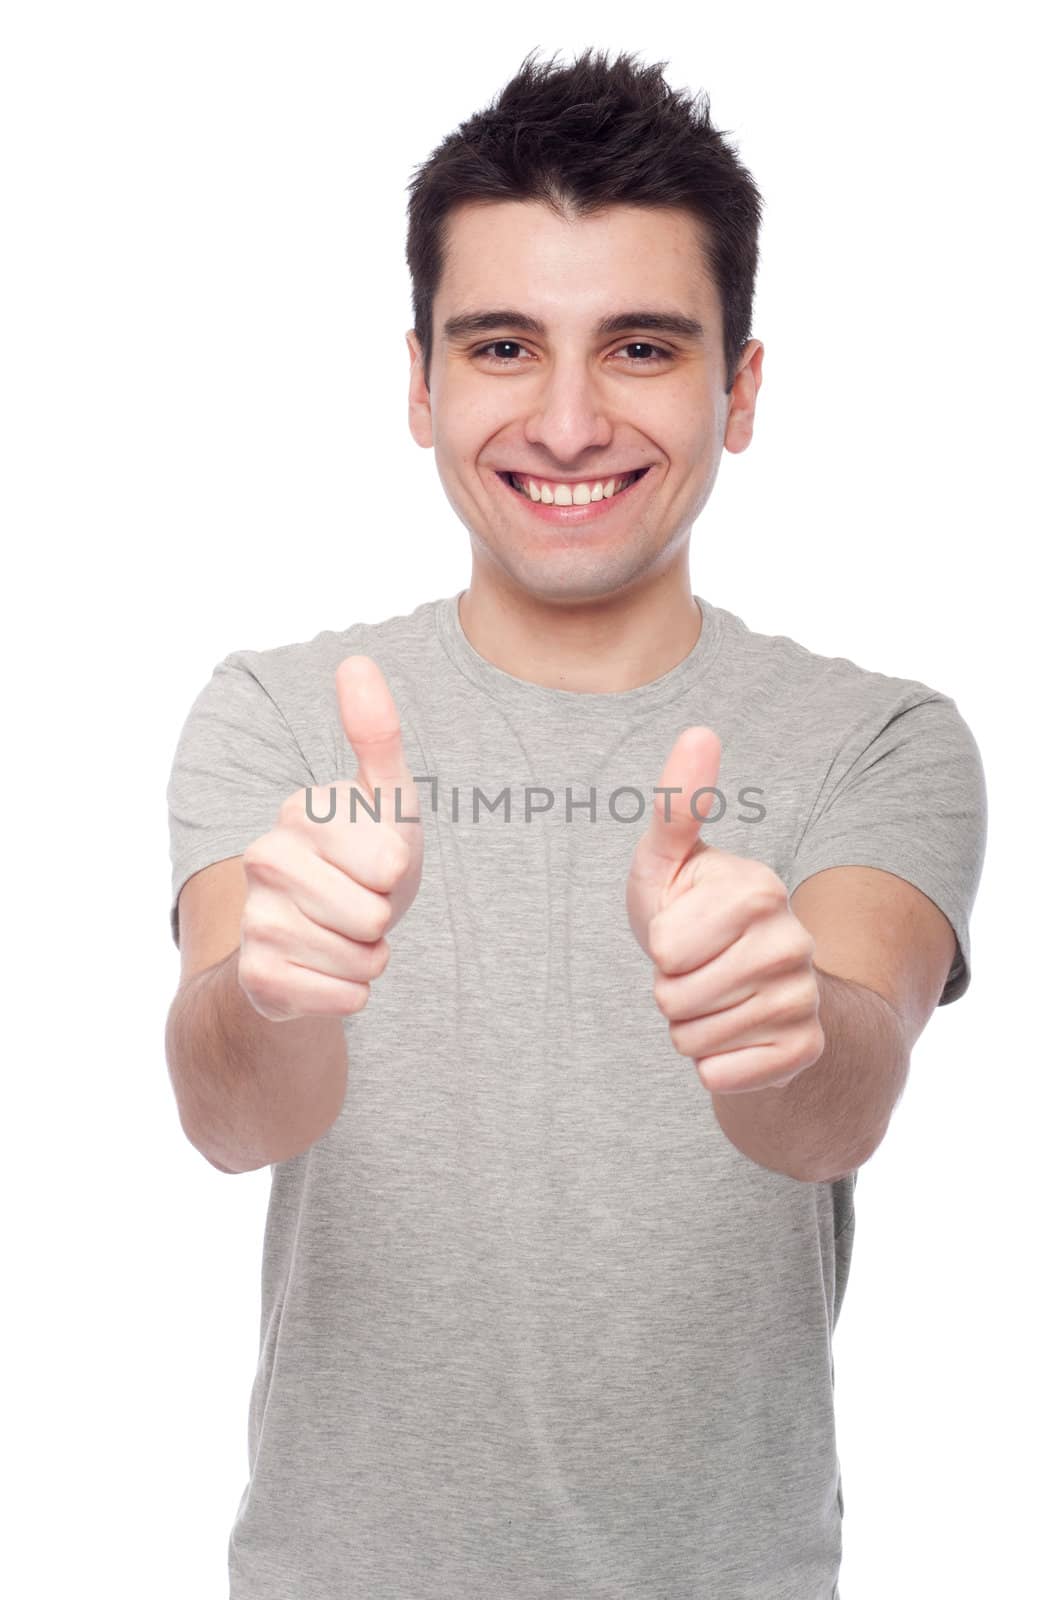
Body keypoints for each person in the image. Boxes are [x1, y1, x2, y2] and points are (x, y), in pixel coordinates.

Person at [164, 46, 987, 1600]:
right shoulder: (280, 713)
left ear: (740, 389)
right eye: (498, 346)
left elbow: (843, 1103)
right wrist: (277, 994)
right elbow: (227, 1117)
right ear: (417, 383)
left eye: (640, 348)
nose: (562, 421)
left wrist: (782, 1016)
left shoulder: (879, 739)